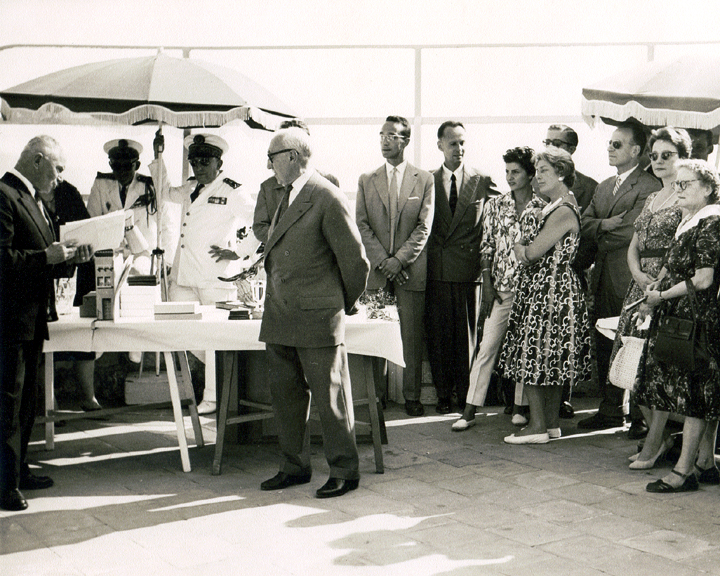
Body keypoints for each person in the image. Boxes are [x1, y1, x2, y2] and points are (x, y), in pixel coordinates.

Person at [258, 127, 369, 498]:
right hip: (280, 312)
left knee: (330, 399)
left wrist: (341, 305)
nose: (269, 164)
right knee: (286, 397)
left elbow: (356, 263)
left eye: (272, 157)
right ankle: (294, 466)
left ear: (292, 156)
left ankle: (345, 469)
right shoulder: (282, 195)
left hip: (318, 316)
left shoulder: (325, 195)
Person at [0, 136, 92, 511]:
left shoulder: (35, 200)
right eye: (57, 169)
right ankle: (5, 485)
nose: (60, 179)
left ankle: (18, 471)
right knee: (7, 404)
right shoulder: (4, 196)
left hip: (31, 318)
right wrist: (46, 256)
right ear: (37, 161)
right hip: (9, 319)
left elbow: (45, 262)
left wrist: (72, 258)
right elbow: (3, 261)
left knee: (24, 404)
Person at [150, 133, 259, 415]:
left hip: (215, 277)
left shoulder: (232, 190)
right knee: (182, 329)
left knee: (213, 335)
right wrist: (158, 156)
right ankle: (220, 379)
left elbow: (259, 221)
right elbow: (164, 193)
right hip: (185, 276)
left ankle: (212, 397)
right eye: (195, 162)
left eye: (205, 161)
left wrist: (239, 252)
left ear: (218, 162)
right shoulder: (190, 188)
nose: (199, 167)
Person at [638, 160, 720, 493]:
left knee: (695, 396)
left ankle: (683, 471)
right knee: (704, 392)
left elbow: (703, 279)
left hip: (698, 319)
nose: (679, 190)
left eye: (686, 184)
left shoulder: (711, 221)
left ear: (708, 188)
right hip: (688, 318)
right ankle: (706, 463)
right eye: (677, 184)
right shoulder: (693, 219)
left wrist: (661, 295)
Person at [500, 147, 591, 444]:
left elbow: (530, 253)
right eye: (537, 171)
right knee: (549, 358)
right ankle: (550, 423)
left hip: (550, 290)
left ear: (561, 174)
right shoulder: (554, 205)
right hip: (547, 287)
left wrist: (519, 246)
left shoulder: (563, 210)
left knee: (535, 356)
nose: (537, 177)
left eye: (544, 171)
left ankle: (537, 426)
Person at [452, 147, 545, 431]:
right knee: (487, 347)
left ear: (530, 174)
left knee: (524, 349)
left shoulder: (543, 207)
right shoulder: (496, 205)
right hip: (501, 290)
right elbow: (487, 247)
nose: (509, 177)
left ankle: (520, 406)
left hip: (531, 290)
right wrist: (488, 285)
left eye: (515, 172)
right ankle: (470, 409)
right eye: (506, 172)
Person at [578, 123, 661, 432]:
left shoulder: (648, 186)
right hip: (602, 275)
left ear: (636, 150)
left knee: (633, 342)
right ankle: (611, 409)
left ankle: (639, 418)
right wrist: (604, 225)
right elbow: (583, 222)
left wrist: (601, 226)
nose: (610, 149)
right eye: (610, 144)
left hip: (629, 274)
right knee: (604, 342)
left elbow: (632, 229)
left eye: (617, 144)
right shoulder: (603, 186)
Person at [617, 127, 688, 469]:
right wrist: (636, 274)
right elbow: (634, 244)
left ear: (682, 158)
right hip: (639, 286)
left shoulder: (687, 197)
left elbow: (681, 248)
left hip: (665, 290)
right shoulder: (651, 198)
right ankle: (658, 437)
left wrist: (657, 285)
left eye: (667, 155)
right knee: (632, 368)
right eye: (655, 155)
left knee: (655, 369)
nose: (658, 161)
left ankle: (655, 443)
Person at [356, 116, 434, 417]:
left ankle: (411, 396)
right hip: (378, 273)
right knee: (375, 332)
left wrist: (399, 260)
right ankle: (375, 397)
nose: (386, 141)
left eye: (393, 136)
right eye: (383, 135)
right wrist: (384, 262)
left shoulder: (424, 179)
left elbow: (423, 226)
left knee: (411, 335)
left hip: (409, 270)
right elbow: (362, 224)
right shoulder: (366, 179)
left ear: (406, 140)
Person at [425, 121, 497, 417]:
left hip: (469, 271)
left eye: (463, 142)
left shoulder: (481, 179)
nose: (459, 149)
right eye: (453, 143)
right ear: (440, 145)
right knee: (439, 336)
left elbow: (499, 217)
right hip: (437, 269)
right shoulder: (426, 180)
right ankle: (443, 394)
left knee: (468, 336)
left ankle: (466, 394)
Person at [40, 180, 100, 411]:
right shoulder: (26, 195)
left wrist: (86, 248)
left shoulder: (68, 191)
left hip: (79, 271)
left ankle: (88, 395)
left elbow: (87, 225)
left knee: (84, 335)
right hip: (46, 271)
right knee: (48, 336)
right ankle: (49, 401)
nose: (58, 175)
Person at [253, 119, 339, 244]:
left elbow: (336, 227)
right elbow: (259, 227)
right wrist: (287, 241)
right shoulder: (268, 188)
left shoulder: (328, 182)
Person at [87, 139, 162, 275]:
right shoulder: (101, 185)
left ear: (137, 165)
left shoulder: (150, 187)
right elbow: (92, 222)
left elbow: (167, 225)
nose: (122, 171)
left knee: (138, 273)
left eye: (127, 166)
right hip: (111, 253)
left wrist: (166, 262)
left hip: (142, 254)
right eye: (116, 166)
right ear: (110, 165)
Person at [543, 124, 598, 212]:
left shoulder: (590, 187)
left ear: (571, 149)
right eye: (547, 143)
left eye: (557, 144)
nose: (550, 147)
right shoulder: (532, 183)